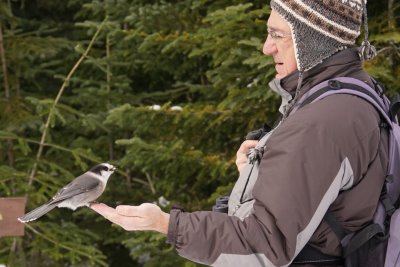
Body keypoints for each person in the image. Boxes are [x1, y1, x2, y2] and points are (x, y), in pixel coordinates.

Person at [91, 0, 388, 266]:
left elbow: (266, 246)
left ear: (312, 41)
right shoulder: (355, 90)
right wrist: (259, 172)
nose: (266, 48)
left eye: (277, 35)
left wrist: (167, 224)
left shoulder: (320, 122)